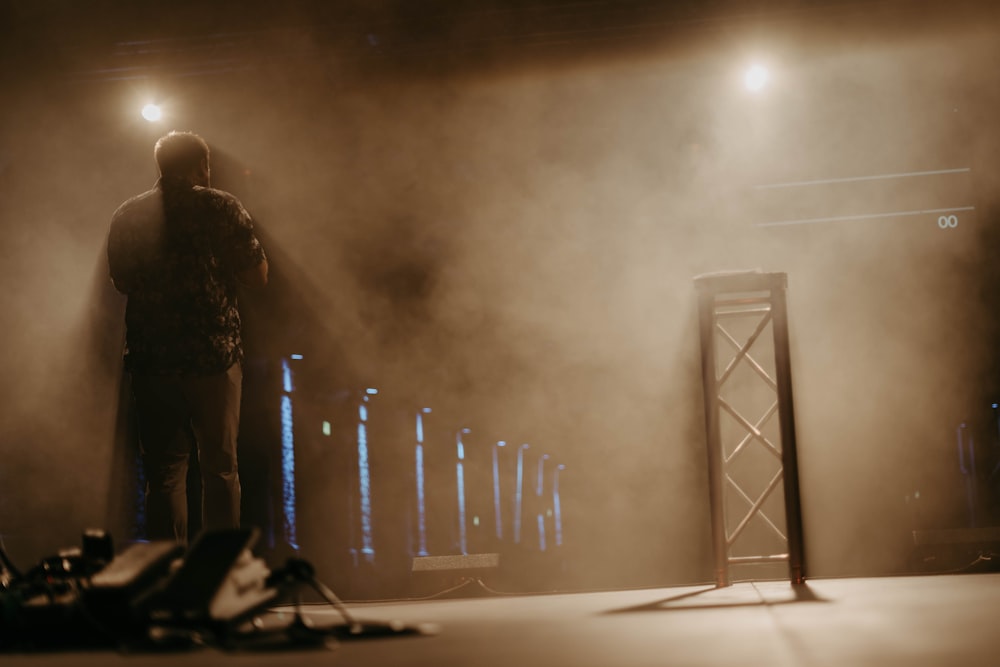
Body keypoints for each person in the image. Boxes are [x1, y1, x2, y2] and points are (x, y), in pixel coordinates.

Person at [107, 131, 268, 542]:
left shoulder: (128, 214)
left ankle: (167, 576)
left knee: (163, 475)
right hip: (213, 358)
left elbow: (122, 281)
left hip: (153, 362)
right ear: (202, 165)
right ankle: (220, 575)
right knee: (219, 469)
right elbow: (256, 276)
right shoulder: (221, 206)